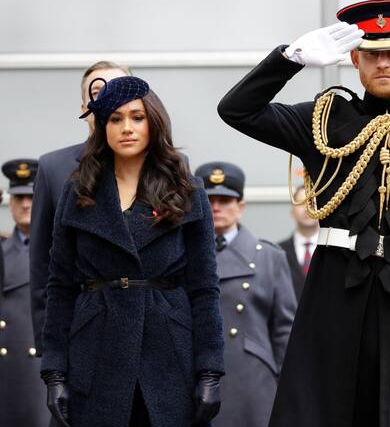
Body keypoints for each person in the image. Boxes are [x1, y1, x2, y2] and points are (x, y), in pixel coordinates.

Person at [218, 0, 390, 427]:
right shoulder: (325, 120)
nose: (383, 63)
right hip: (334, 294)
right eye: (372, 53)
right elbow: (237, 110)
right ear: (354, 58)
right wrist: (290, 60)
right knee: (320, 413)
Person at [40, 76, 224, 426]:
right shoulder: (78, 192)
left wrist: (210, 372)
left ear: (154, 122)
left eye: (137, 117)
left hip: (169, 352)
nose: (127, 128)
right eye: (115, 118)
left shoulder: (187, 191)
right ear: (102, 127)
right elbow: (59, 287)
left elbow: (204, 289)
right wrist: (55, 373)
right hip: (94, 352)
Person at [30, 61, 129, 356]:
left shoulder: (169, 167)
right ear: (84, 105)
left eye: (120, 90)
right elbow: (42, 269)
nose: (110, 99)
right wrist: (51, 358)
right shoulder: (54, 168)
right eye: (99, 92)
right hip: (84, 334)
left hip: (158, 333)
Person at [195, 161, 296, 427]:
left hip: (251, 380)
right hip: (197, 377)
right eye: (209, 200)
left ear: (241, 206)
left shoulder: (269, 257)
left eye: (225, 200)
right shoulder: (181, 256)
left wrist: (288, 389)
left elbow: (284, 330)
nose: (216, 207)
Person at [0, 159, 51, 426]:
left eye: (32, 196)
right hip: (9, 376)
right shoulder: (3, 251)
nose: (26, 204)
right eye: (19, 197)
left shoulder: (60, 251)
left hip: (42, 375)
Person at [278, 185, 319, 301]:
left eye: (312, 204)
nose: (307, 208)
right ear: (292, 212)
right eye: (301, 203)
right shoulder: (277, 252)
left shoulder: (334, 251)